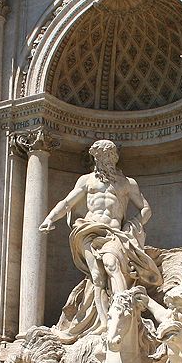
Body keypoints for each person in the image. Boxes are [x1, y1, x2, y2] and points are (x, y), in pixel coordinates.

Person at [39, 139, 162, 341]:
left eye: (107, 156)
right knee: (97, 277)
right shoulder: (87, 181)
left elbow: (145, 208)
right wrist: (50, 218)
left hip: (114, 233)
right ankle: (104, 322)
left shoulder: (126, 183)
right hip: (88, 230)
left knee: (111, 263)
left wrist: (132, 225)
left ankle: (124, 315)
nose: (103, 160)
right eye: (99, 157)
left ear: (114, 157)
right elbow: (67, 202)